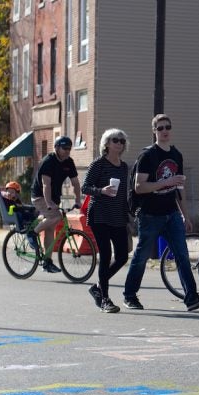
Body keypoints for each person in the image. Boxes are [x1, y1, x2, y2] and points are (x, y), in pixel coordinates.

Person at [122, 114, 199, 312]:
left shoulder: (176, 155)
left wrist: (185, 215)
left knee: (182, 255)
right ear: (154, 131)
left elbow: (180, 188)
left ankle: (191, 297)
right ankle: (129, 295)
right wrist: (165, 182)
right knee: (142, 256)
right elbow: (139, 187)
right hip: (150, 215)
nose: (164, 131)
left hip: (171, 214)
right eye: (160, 128)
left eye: (167, 127)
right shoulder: (148, 156)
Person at [81, 129, 131, 314]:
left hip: (117, 216)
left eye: (122, 141)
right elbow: (85, 188)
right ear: (107, 144)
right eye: (115, 140)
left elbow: (124, 193)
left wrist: (128, 216)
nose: (119, 143)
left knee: (123, 256)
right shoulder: (98, 164)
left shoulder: (124, 166)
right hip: (99, 215)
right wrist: (102, 190)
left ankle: (97, 287)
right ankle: (104, 299)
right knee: (106, 255)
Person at [30, 136, 82, 273]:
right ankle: (32, 233)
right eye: (64, 148)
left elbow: (75, 183)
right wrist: (48, 203)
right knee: (57, 217)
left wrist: (78, 200)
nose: (67, 151)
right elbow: (46, 185)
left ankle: (47, 262)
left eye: (69, 149)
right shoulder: (48, 161)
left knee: (50, 229)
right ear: (57, 148)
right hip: (40, 196)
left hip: (54, 198)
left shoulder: (69, 162)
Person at [0, 181, 39, 250]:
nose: (11, 194)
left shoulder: (17, 200)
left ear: (17, 194)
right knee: (20, 213)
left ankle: (31, 231)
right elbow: (1, 193)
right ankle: (23, 228)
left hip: (19, 213)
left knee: (31, 214)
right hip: (13, 214)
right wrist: (6, 194)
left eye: (13, 192)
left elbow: (21, 206)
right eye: (9, 191)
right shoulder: (6, 197)